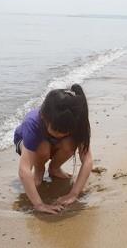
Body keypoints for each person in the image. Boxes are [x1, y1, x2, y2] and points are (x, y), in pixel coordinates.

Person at [13, 84, 93, 214]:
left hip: (56, 144)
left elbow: (87, 160)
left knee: (69, 143)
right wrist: (39, 204)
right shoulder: (33, 122)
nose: (61, 134)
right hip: (26, 142)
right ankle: (40, 171)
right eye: (57, 130)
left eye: (66, 132)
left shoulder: (78, 121)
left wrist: (74, 194)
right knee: (43, 147)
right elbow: (24, 169)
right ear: (44, 118)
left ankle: (54, 168)